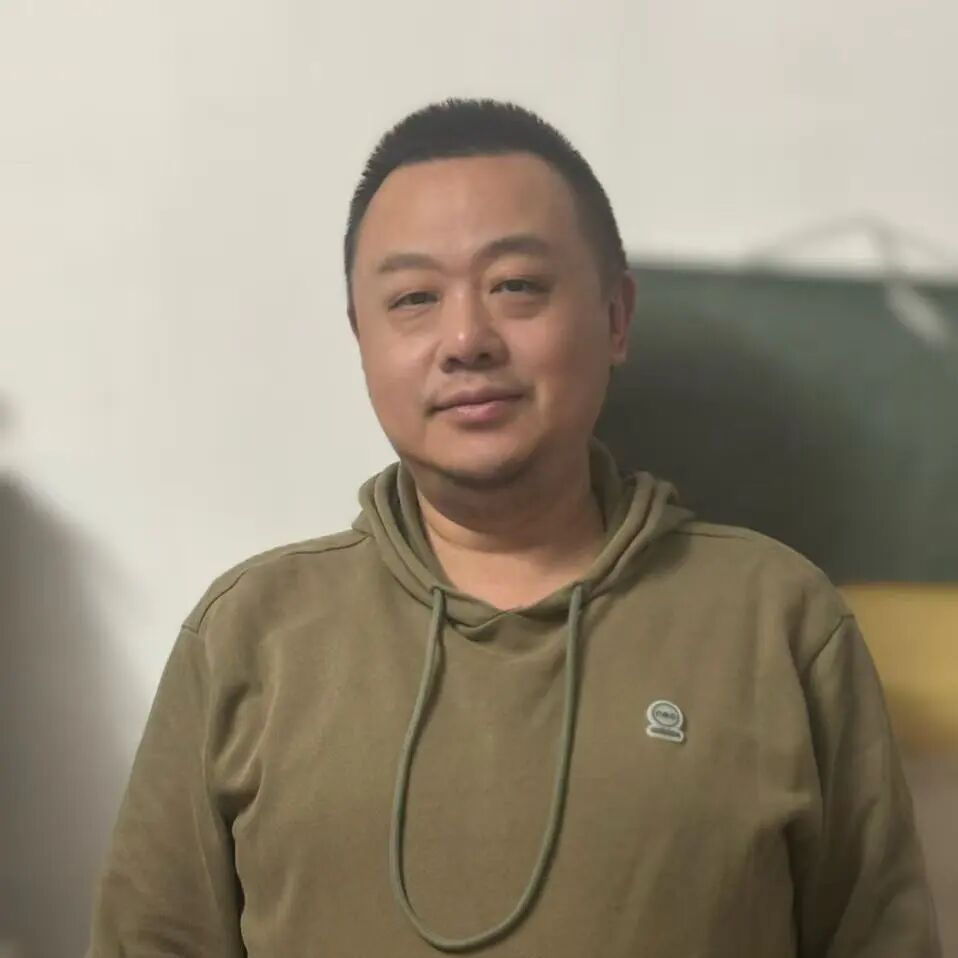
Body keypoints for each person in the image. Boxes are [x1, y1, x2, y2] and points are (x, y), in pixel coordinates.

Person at [87, 99, 941, 957]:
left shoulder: (776, 620)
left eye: (516, 286)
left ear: (615, 318)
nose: (466, 339)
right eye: (414, 298)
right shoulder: (251, 634)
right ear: (362, 339)